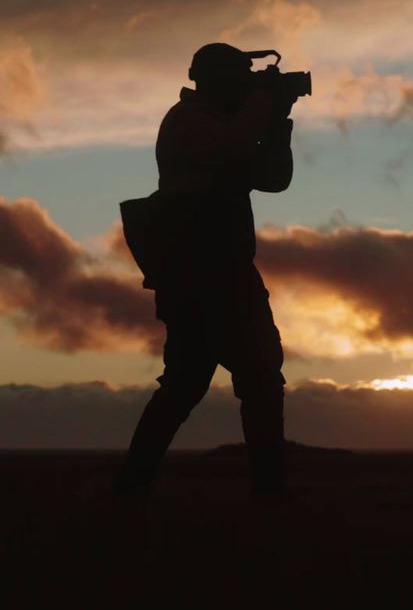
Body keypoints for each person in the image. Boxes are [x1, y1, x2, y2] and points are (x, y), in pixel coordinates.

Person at [113, 42, 297, 497]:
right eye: (242, 80)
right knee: (189, 387)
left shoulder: (222, 123)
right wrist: (261, 105)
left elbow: (273, 179)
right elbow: (234, 148)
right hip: (198, 273)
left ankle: (268, 492)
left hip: (227, 270)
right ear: (215, 81)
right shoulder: (189, 123)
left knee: (253, 382)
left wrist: (278, 123)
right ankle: (132, 488)